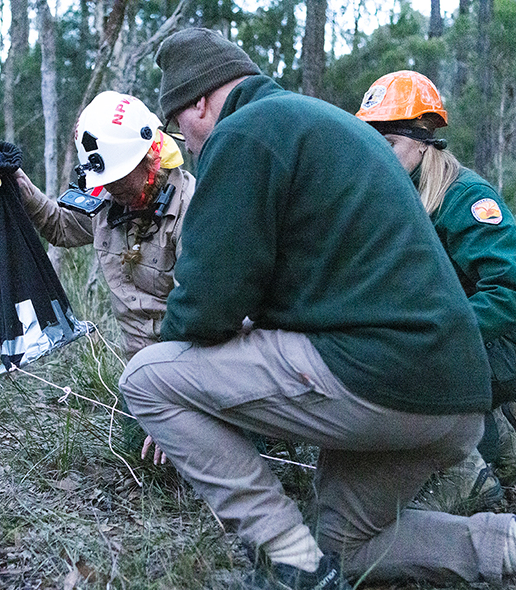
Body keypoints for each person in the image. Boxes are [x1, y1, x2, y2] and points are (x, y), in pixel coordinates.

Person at [118, 27, 516, 590]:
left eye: (176, 118)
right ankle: (505, 548)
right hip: (455, 397)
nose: (180, 134)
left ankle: (292, 562)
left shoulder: (244, 134)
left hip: (379, 376)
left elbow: (209, 302)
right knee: (351, 547)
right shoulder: (328, 126)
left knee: (147, 378)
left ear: (200, 101)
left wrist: (176, 373)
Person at [356, 70, 516, 513]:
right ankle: (496, 446)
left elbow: (508, 289)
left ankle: (466, 480)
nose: (377, 155)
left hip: (497, 338)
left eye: (387, 144)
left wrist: (439, 334)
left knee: (409, 367)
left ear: (423, 139)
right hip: (452, 338)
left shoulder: (465, 197)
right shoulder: (393, 195)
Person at [15, 91, 195, 464]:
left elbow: (197, 318)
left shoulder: (193, 207)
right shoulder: (107, 199)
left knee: (193, 456)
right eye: (105, 180)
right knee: (140, 454)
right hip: (143, 374)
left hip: (196, 371)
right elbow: (62, 227)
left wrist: (177, 406)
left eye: (117, 178)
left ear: (148, 159)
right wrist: (21, 188)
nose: (110, 188)